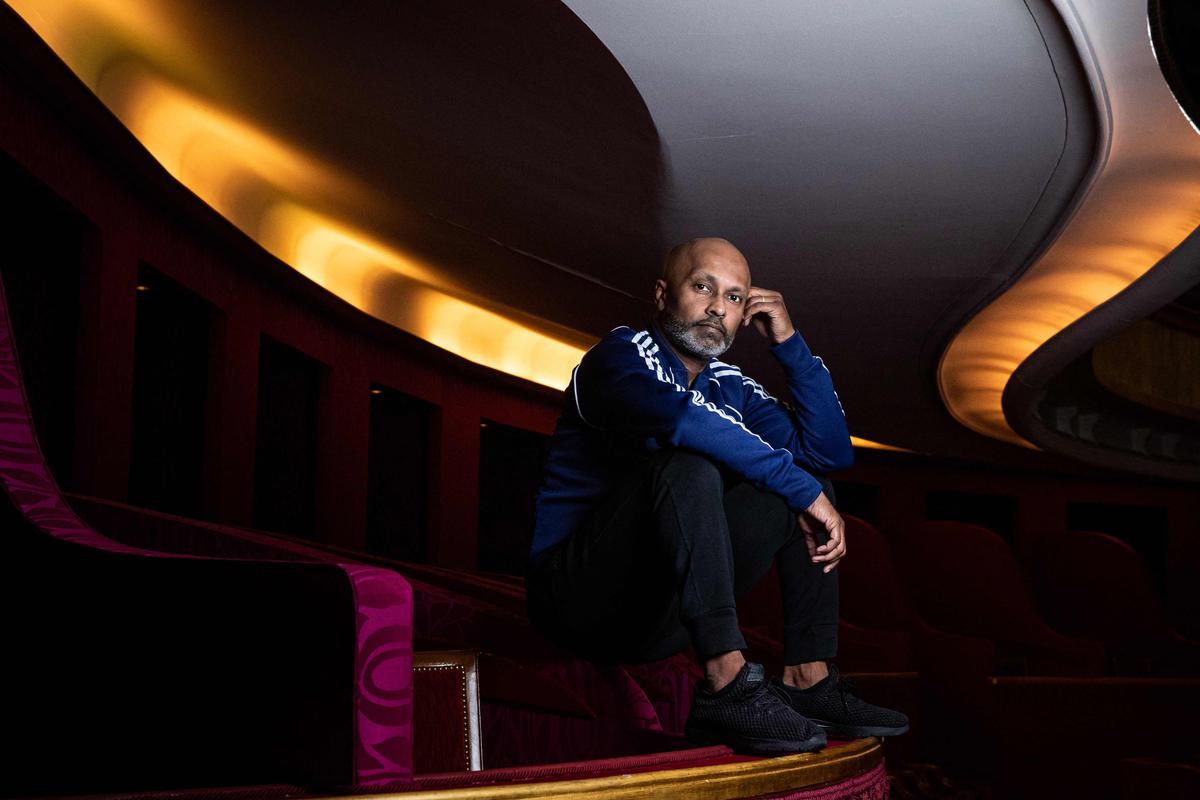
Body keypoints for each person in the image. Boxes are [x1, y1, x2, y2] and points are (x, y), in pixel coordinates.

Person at [526, 237, 908, 754]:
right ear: (663, 295)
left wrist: (789, 343)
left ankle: (808, 677)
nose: (716, 308)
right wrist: (796, 486)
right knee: (689, 465)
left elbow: (828, 453)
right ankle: (725, 684)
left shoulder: (734, 386)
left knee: (812, 484)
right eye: (703, 286)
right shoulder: (618, 358)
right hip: (576, 601)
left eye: (734, 298)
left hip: (659, 616)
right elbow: (683, 422)